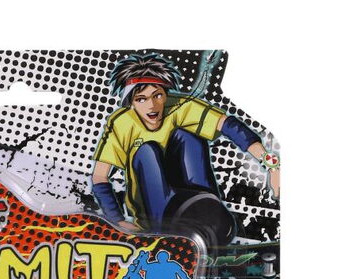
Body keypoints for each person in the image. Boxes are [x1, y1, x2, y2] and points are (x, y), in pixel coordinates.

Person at [91, 54, 280, 242]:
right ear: (131, 102)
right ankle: (163, 228)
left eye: (157, 95)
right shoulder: (122, 123)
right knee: (148, 151)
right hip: (157, 213)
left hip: (198, 207)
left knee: (187, 136)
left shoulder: (180, 107)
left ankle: (209, 212)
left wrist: (273, 167)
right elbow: (99, 176)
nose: (152, 106)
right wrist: (117, 220)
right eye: (141, 99)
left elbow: (229, 125)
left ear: (165, 94)